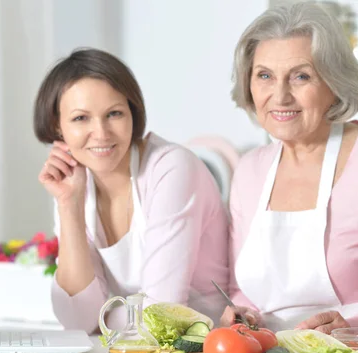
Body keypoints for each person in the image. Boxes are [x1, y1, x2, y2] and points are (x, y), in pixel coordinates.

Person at [34, 48, 229, 333]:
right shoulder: (73, 185)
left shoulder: (172, 169)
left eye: (114, 114)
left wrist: (100, 322)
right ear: (57, 126)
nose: (101, 133)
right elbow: (77, 320)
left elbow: (162, 313)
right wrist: (68, 204)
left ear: (132, 113)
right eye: (80, 118)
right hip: (130, 352)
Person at [222, 2, 358, 332]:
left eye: (301, 76)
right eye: (264, 75)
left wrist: (353, 325)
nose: (280, 96)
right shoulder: (250, 171)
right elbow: (245, 289)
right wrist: (243, 312)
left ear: (334, 83)